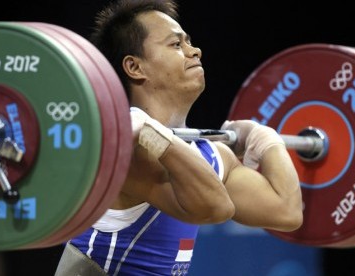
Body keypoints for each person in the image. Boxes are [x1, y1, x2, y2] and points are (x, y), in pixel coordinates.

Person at [55, 0, 303, 275]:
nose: (194, 50)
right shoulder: (128, 152)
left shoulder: (213, 155)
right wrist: (151, 133)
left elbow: (287, 212)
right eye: (176, 45)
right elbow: (215, 207)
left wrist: (265, 139)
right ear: (135, 67)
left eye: (189, 42)